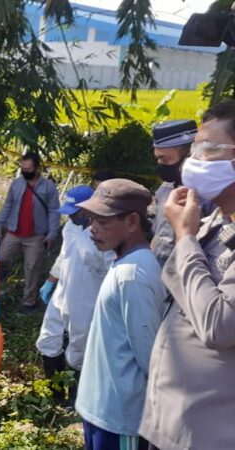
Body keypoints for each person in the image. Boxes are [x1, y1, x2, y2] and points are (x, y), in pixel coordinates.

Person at [140, 100, 235, 450]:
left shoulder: (196, 228)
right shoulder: (213, 221)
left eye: (209, 149)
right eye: (195, 148)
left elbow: (218, 324)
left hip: (209, 433)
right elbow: (174, 281)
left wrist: (185, 237)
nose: (195, 159)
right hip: (172, 422)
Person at [73, 179, 167, 450]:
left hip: (120, 418)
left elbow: (150, 357)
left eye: (103, 222)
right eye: (92, 220)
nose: (93, 229)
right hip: (101, 410)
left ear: (132, 221)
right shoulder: (124, 263)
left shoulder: (133, 274)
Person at [36, 186, 114, 404]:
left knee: (80, 350)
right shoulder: (70, 227)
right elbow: (64, 256)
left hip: (86, 301)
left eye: (75, 211)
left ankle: (77, 400)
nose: (71, 216)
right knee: (48, 340)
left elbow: (112, 272)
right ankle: (55, 395)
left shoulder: (105, 236)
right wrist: (51, 279)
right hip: (62, 293)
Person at [0, 152, 60, 313]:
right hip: (14, 232)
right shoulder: (16, 184)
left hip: (36, 236)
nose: (26, 171)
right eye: (23, 168)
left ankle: (29, 302)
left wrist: (52, 233)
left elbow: (54, 211)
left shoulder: (48, 187)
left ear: (37, 168)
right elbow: (8, 205)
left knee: (31, 268)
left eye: (29, 169)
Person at [150, 119, 200, 267]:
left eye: (164, 159)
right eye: (157, 158)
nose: (160, 165)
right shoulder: (164, 190)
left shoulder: (207, 196)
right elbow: (157, 236)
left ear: (188, 155)